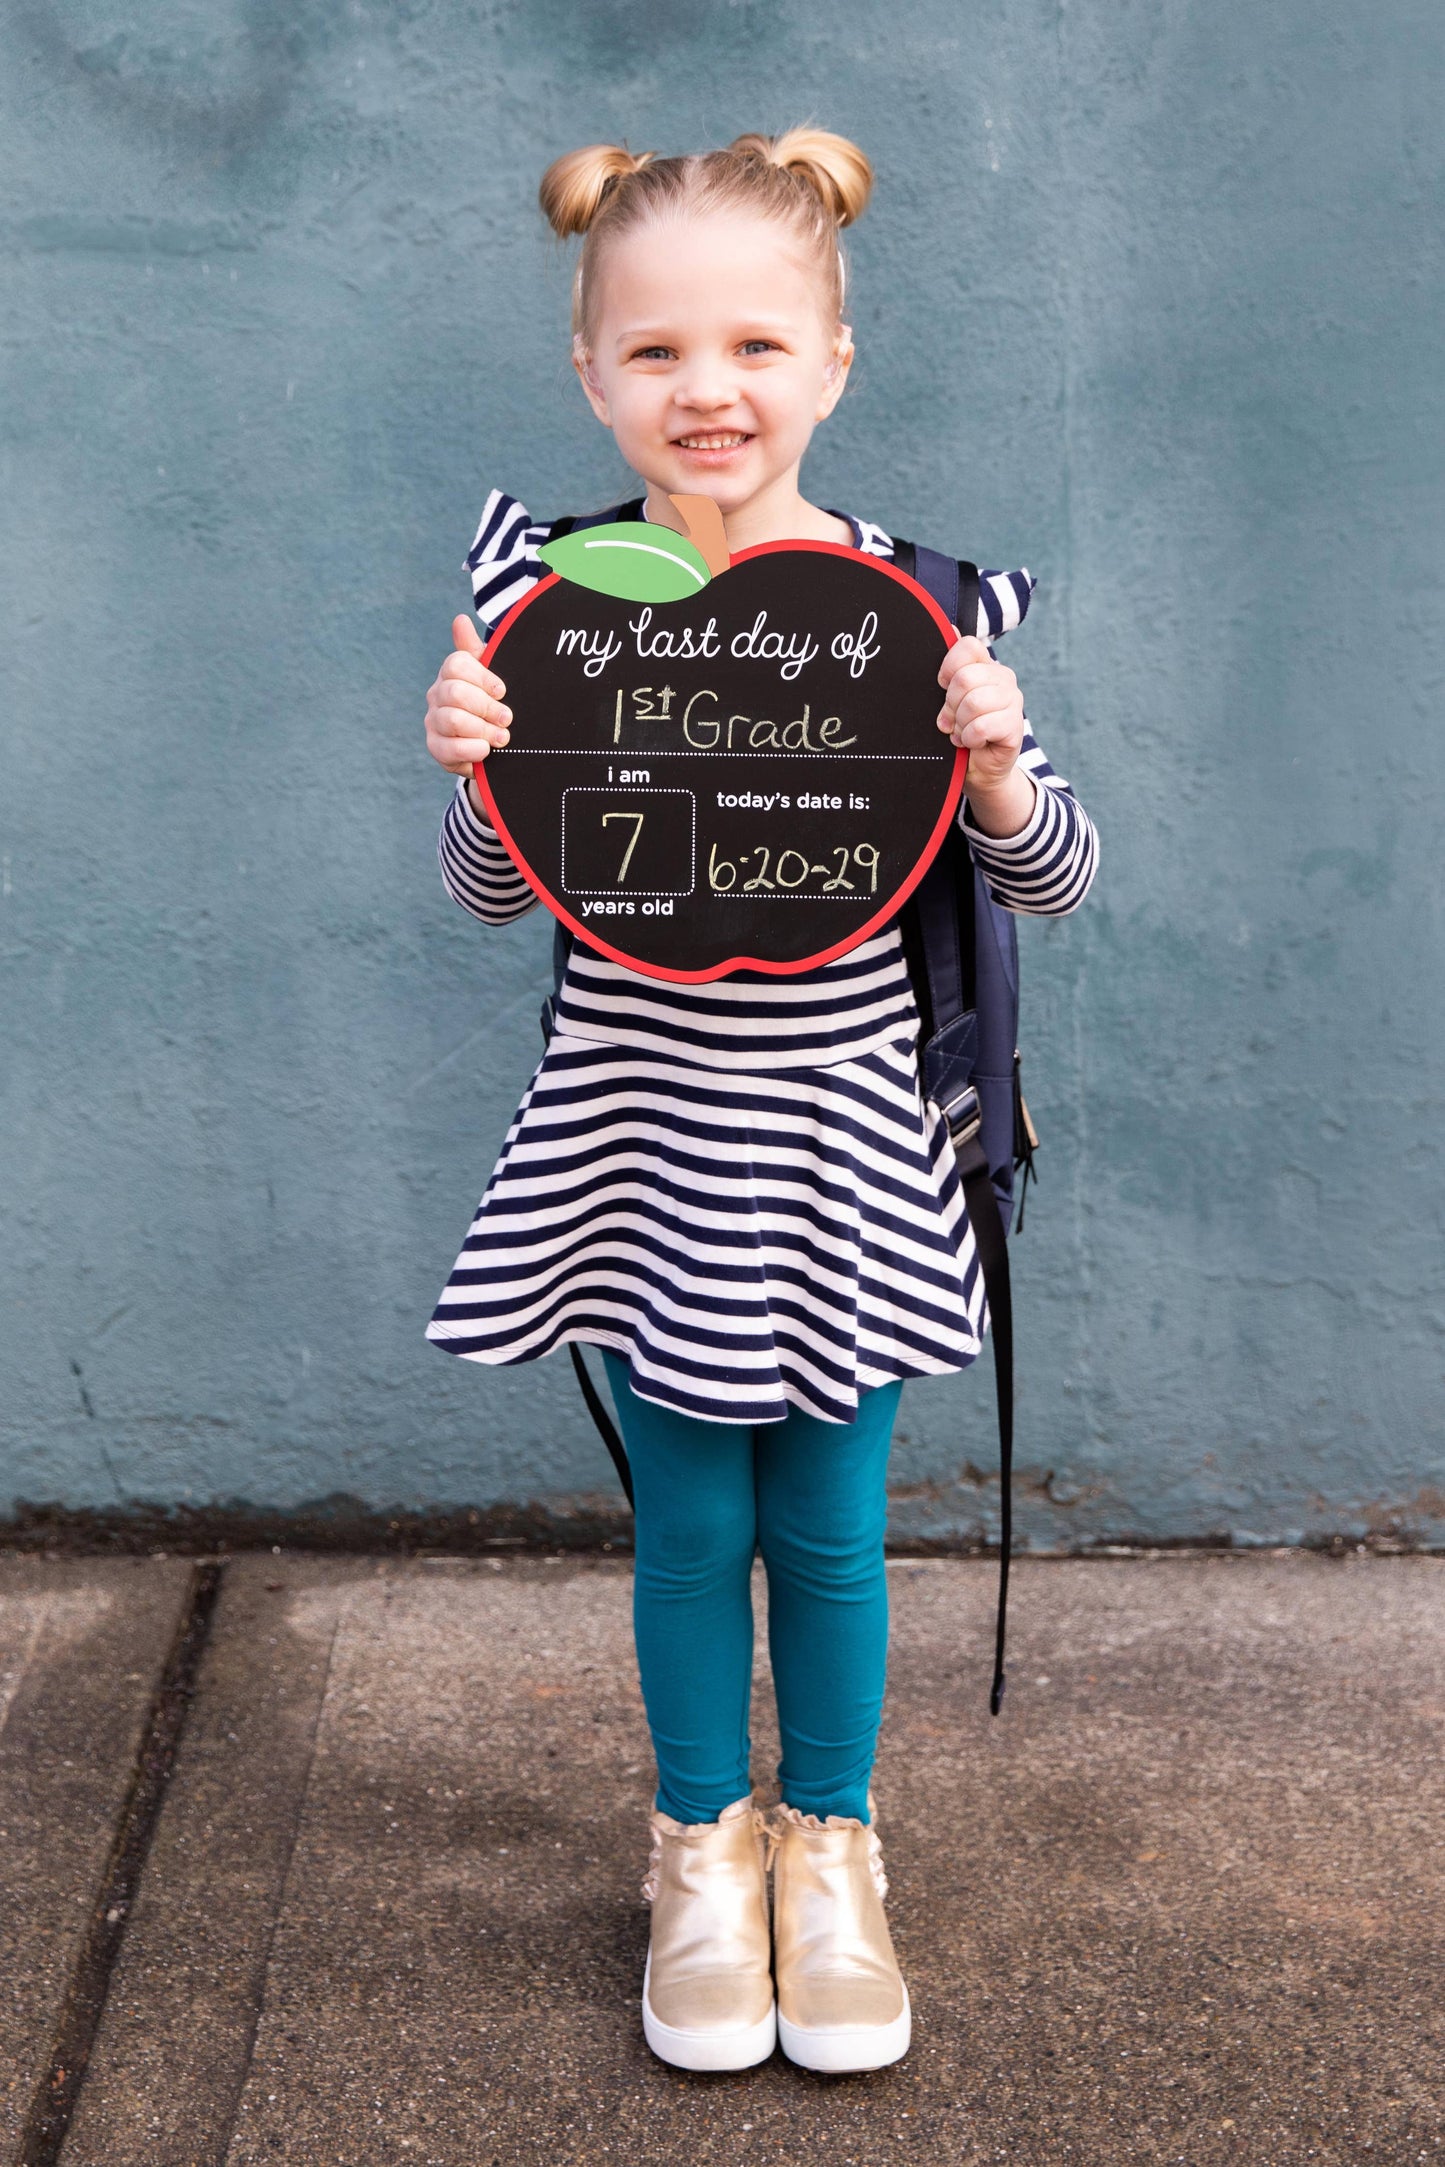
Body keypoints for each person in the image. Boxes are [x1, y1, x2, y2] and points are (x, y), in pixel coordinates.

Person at [421, 128, 1099, 2076]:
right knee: (683, 1523)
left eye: (753, 345)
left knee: (829, 1526)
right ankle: (696, 1848)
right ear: (588, 372)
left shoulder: (911, 606)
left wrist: (993, 772)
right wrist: (476, 762)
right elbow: (492, 895)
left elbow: (1053, 879)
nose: (706, 389)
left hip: (846, 1159)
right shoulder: (552, 601)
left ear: (833, 358)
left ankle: (832, 1847)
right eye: (653, 354)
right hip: (641, 1157)